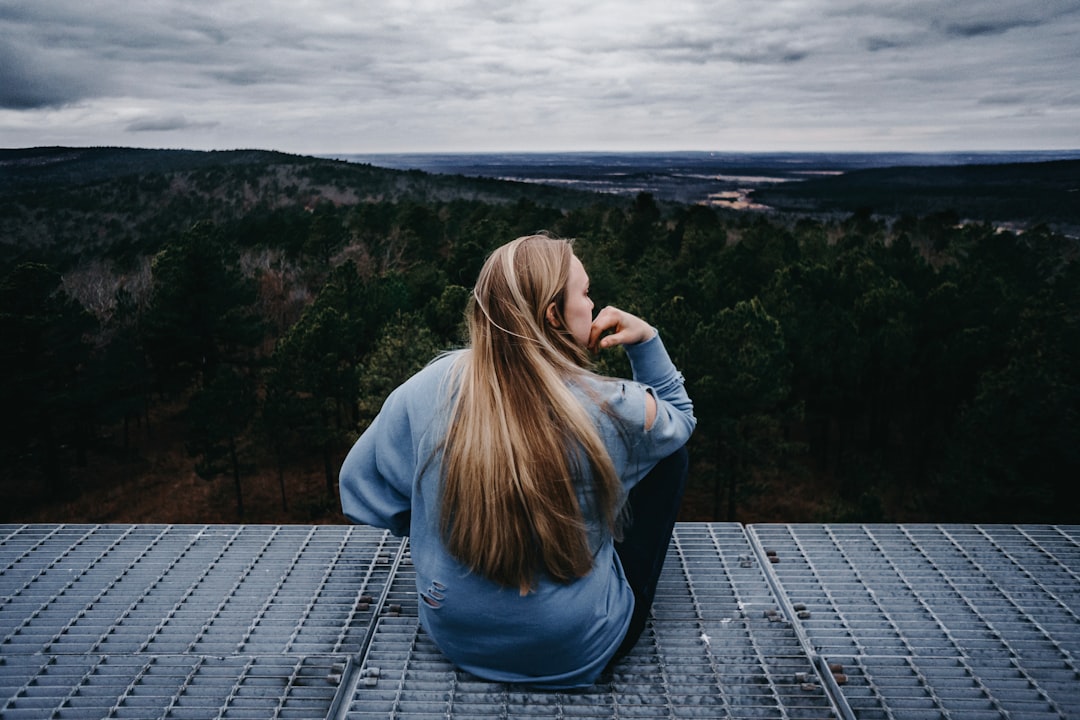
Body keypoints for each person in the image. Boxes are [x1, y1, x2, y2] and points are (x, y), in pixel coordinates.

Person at [339, 234, 695, 688]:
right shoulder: (611, 407)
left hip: (455, 633)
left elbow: (359, 490)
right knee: (670, 459)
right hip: (574, 645)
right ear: (553, 315)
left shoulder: (429, 387)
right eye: (584, 294)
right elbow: (680, 418)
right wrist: (645, 339)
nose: (593, 305)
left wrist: (441, 525)